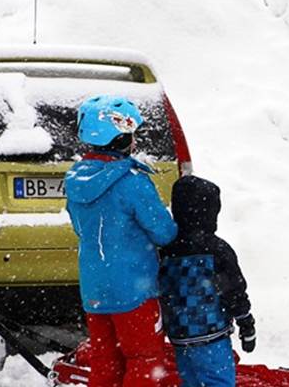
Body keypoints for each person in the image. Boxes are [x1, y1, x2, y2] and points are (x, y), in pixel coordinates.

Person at [65, 95, 179, 387]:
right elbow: (164, 232)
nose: (134, 142)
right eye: (131, 135)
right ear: (120, 138)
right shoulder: (132, 182)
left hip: (94, 287)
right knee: (144, 361)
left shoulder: (75, 179)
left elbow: (81, 227)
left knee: (105, 361)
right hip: (134, 289)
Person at [159, 175, 255, 387]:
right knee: (218, 381)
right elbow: (234, 290)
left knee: (190, 381)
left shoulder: (166, 249)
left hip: (179, 335)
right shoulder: (216, 250)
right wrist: (245, 321)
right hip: (212, 335)